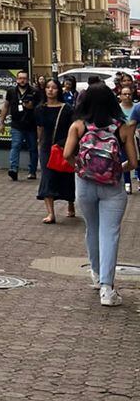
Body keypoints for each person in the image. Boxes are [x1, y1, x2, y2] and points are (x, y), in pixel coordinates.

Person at [63, 81, 137, 306]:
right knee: (110, 233)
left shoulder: (78, 125)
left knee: (92, 230)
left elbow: (67, 154)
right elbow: (134, 162)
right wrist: (115, 170)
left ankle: (95, 274)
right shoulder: (121, 128)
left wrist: (83, 168)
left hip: (84, 184)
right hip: (112, 188)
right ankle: (107, 288)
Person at [35, 76, 77, 223]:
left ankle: (71, 204)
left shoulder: (67, 109)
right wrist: (39, 143)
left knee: (66, 176)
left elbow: (73, 129)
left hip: (63, 146)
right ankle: (51, 213)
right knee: (47, 177)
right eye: (48, 87)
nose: (50, 90)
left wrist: (68, 145)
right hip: (47, 147)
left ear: (59, 90)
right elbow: (39, 128)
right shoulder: (40, 109)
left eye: (53, 88)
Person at [0, 69, 42, 181]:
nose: (22, 81)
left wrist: (32, 108)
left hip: (31, 125)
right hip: (16, 124)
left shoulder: (34, 91)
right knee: (15, 146)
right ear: (17, 79)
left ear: (28, 80)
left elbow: (40, 108)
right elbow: (5, 106)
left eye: (24, 78)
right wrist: (1, 122)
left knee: (32, 148)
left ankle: (32, 171)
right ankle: (13, 169)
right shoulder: (11, 91)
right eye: (20, 78)